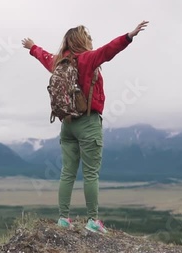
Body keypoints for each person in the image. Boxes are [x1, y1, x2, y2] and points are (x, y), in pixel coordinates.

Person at [21, 20, 149, 233]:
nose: (91, 41)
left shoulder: (60, 62)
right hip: (88, 122)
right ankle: (92, 221)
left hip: (67, 124)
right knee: (91, 173)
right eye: (88, 38)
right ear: (82, 41)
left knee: (67, 172)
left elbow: (45, 58)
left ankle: (63, 218)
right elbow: (108, 51)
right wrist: (129, 36)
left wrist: (33, 47)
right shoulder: (87, 59)